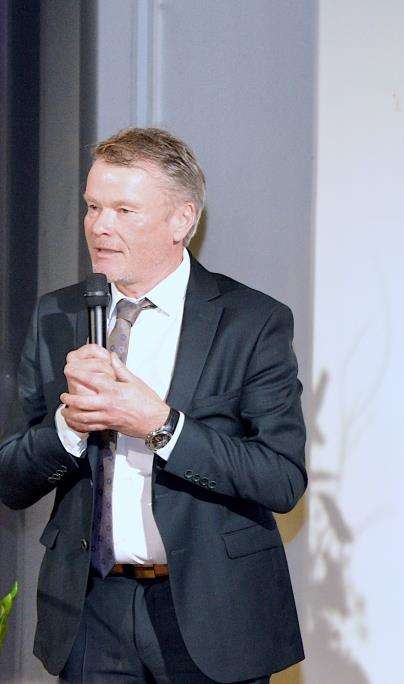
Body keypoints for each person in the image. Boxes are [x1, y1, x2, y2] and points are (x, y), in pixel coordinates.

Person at [0, 128, 306, 683]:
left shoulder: (251, 321)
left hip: (212, 612)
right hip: (91, 614)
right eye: (93, 206)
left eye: (123, 209)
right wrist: (69, 427)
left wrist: (162, 426)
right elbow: (11, 479)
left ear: (181, 220)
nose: (100, 226)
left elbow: (281, 479)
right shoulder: (57, 315)